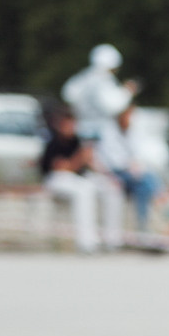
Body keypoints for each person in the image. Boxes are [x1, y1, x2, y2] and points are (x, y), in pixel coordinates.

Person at [39, 104, 119, 252]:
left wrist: (106, 174)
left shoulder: (78, 141)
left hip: (79, 178)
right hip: (57, 179)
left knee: (110, 188)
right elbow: (62, 167)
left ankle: (112, 240)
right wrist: (81, 158)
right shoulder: (53, 142)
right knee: (84, 191)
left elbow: (90, 164)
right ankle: (86, 242)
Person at [62, 45, 135, 141]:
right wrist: (127, 92)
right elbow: (112, 106)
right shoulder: (103, 80)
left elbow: (68, 94)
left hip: (81, 129)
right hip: (102, 133)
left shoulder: (84, 77)